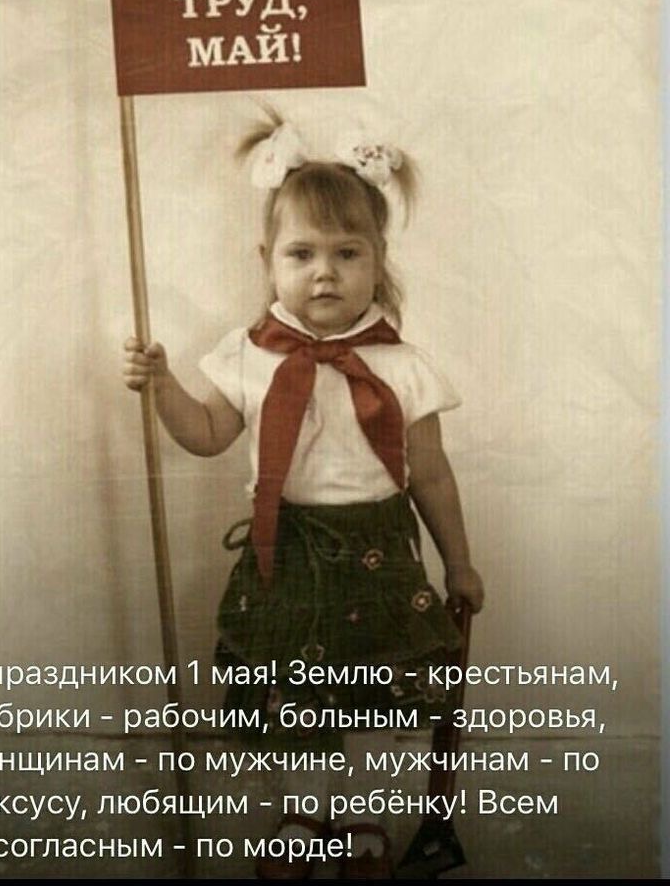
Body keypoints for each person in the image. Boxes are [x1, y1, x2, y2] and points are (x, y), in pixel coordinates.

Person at [123, 112, 484, 880]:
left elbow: (431, 473)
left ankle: (359, 819)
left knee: (369, 697)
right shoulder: (248, 355)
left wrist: (459, 562)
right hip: (286, 554)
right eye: (302, 254)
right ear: (268, 261)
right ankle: (302, 815)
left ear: (378, 260)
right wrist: (162, 387)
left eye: (347, 254)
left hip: (377, 556)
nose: (325, 273)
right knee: (296, 699)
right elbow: (206, 433)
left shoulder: (403, 366)